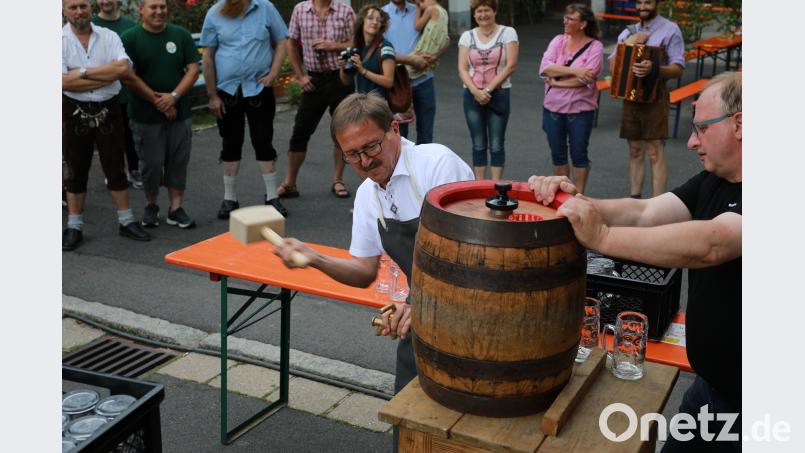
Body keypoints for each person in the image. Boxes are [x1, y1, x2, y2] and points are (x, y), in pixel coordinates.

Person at [529, 71, 742, 451]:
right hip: (710, 387)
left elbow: (714, 243)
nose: (692, 141)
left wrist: (602, 238)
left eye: (702, 129)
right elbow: (643, 211)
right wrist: (574, 203)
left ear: (740, 124)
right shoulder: (716, 178)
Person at [272, 92, 473, 451]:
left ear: (394, 129)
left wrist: (416, 303)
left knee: (463, 432)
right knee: (411, 428)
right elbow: (365, 271)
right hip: (418, 325)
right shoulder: (368, 195)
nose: (364, 161)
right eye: (352, 155)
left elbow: (463, 256)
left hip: (469, 317)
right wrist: (313, 257)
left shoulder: (437, 164)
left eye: (371, 147)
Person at [62, 0, 151, 251]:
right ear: (64, 10)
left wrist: (79, 73)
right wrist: (102, 75)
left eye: (83, 6)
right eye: (73, 7)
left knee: (115, 165)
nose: (79, 11)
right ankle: (74, 226)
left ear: (90, 8)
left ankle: (126, 221)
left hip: (109, 108)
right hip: (74, 110)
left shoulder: (109, 35)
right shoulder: (57, 39)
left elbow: (123, 68)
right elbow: (61, 82)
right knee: (76, 168)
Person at [200, 0, 290, 219]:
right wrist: (212, 95)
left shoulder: (266, 8)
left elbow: (282, 42)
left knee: (263, 139)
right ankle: (229, 199)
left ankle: (272, 197)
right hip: (227, 91)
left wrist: (273, 73)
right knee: (231, 142)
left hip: (259, 88)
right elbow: (208, 56)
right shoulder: (215, 13)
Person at [121, 0, 200, 229]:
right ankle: (151, 205)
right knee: (151, 163)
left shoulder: (180, 35)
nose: (158, 11)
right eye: (153, 7)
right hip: (145, 115)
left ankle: (175, 208)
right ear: (141, 10)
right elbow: (128, 76)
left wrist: (173, 97)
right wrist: (159, 101)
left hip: (179, 112)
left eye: (162, 7)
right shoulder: (130, 38)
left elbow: (193, 70)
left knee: (178, 161)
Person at [276, 0, 356, 200]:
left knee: (342, 132)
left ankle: (338, 180)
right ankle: (290, 183)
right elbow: (291, 43)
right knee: (300, 132)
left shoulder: (345, 10)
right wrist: (300, 76)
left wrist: (333, 45)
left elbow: (356, 43)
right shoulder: (300, 9)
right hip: (313, 79)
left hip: (341, 78)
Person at [609, 0, 684, 198]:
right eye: (639, 2)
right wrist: (631, 42)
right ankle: (635, 199)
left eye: (648, 2)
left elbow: (678, 68)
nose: (642, 7)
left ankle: (658, 204)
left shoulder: (670, 29)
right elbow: (612, 67)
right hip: (630, 97)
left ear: (657, 3)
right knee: (634, 149)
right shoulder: (628, 32)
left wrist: (654, 69)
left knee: (654, 151)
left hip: (655, 97)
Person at [539, 4, 603, 194]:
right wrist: (576, 71)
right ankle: (563, 195)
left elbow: (586, 80)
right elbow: (545, 68)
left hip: (580, 111)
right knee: (557, 156)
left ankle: (579, 195)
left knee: (579, 155)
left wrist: (557, 82)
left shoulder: (595, 47)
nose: (565, 22)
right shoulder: (558, 41)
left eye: (570, 19)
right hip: (553, 109)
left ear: (583, 24)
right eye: (565, 18)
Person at [457, 0, 518, 180]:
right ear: (474, 14)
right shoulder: (467, 36)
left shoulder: (508, 33)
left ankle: (496, 185)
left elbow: (511, 65)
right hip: (472, 95)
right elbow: (462, 68)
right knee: (478, 144)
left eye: (487, 10)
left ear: (495, 11)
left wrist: (488, 90)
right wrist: (476, 91)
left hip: (499, 93)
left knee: (497, 144)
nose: (483, 14)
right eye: (479, 11)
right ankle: (480, 185)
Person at [92, 0, 143, 190]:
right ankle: (115, 173)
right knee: (110, 137)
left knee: (132, 134)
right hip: (104, 92)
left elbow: (136, 60)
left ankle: (135, 170)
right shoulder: (92, 25)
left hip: (129, 92)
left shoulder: (130, 25)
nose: (106, 2)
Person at [383, 0, 448, 144]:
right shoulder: (381, 15)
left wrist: (435, 56)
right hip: (398, 83)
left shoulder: (422, 9)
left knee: (426, 136)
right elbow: (380, 49)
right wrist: (412, 60)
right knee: (399, 137)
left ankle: (424, 167)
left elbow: (443, 37)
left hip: (424, 79)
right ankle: (402, 167)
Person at [339, 5, 395, 101]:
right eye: (370, 18)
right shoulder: (358, 47)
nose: (375, 22)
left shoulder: (385, 47)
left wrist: (363, 71)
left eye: (379, 20)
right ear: (362, 21)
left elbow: (389, 82)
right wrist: (343, 67)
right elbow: (346, 81)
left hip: (379, 105)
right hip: (362, 104)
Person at [409, 0, 449, 80]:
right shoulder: (444, 12)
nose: (421, 5)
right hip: (433, 52)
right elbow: (446, 38)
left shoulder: (431, 9)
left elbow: (417, 27)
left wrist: (418, 9)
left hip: (424, 49)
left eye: (421, 1)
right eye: (419, 4)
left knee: (406, 68)